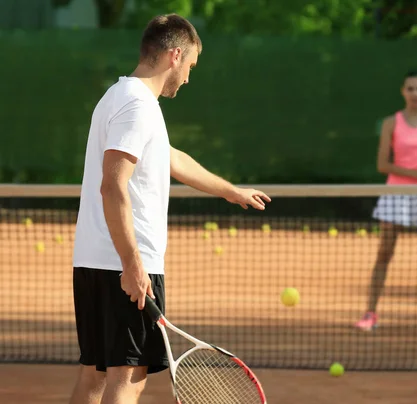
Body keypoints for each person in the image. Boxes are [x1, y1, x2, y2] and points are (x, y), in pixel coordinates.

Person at [69, 14, 271, 404]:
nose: (188, 78)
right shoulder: (137, 106)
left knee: (95, 377)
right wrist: (132, 263)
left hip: (93, 262)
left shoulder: (120, 96)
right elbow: (112, 185)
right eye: (190, 66)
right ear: (175, 56)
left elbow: (170, 157)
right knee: (128, 379)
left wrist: (231, 191)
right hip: (125, 263)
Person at [354, 70, 417, 333]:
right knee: (384, 253)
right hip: (396, 192)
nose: (415, 94)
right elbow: (382, 163)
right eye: (410, 89)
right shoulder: (391, 123)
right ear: (403, 91)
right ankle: (370, 313)